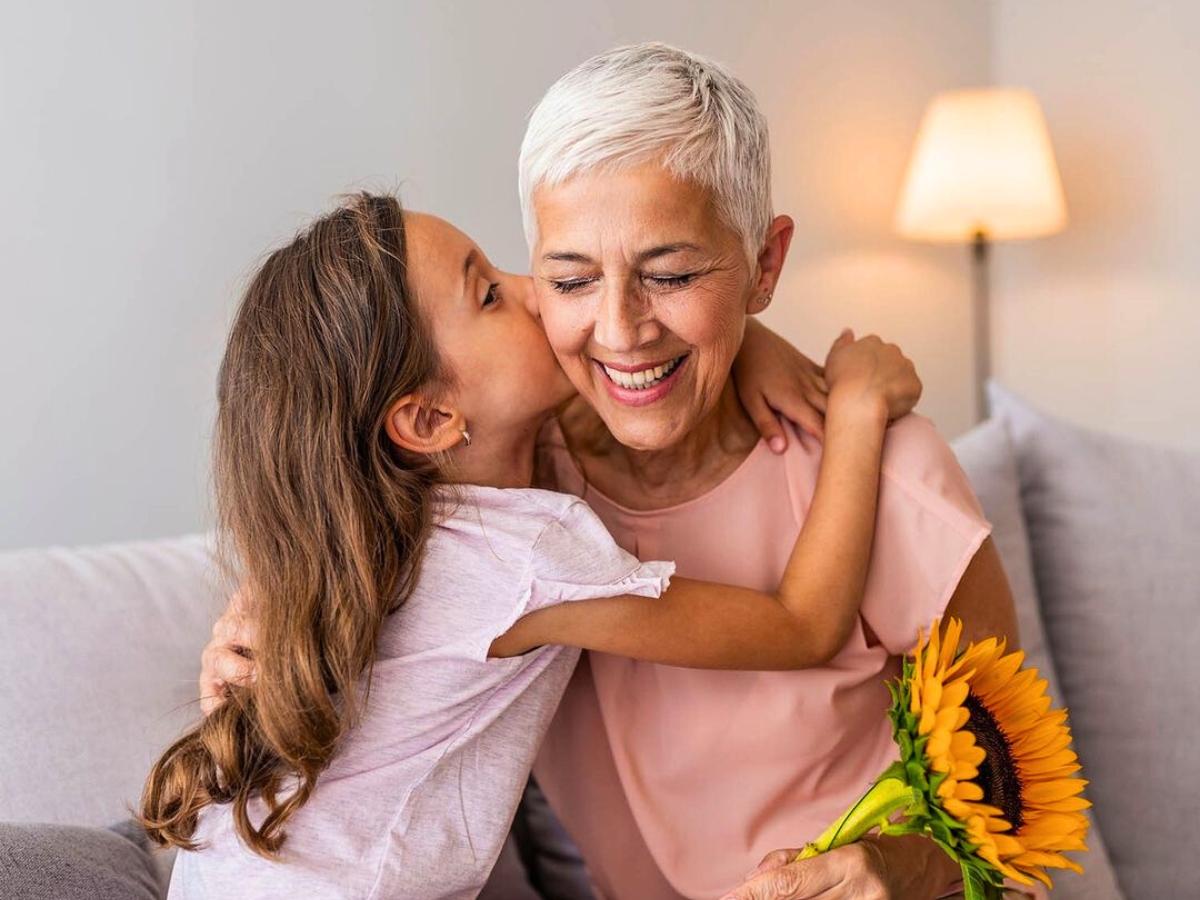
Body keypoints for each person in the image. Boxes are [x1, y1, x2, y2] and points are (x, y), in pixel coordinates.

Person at [200, 43, 1028, 900]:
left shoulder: (885, 478)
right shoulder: (518, 494)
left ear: (765, 265)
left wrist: (897, 866)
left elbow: (1015, 802)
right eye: (569, 277)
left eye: (671, 273)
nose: (620, 329)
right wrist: (257, 618)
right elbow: (800, 622)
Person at [143, 192, 923, 900]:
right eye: (488, 292)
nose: (534, 289)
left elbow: (634, 361)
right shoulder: (520, 556)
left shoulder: (391, 523)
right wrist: (855, 411)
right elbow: (802, 626)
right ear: (428, 421)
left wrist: (747, 341)